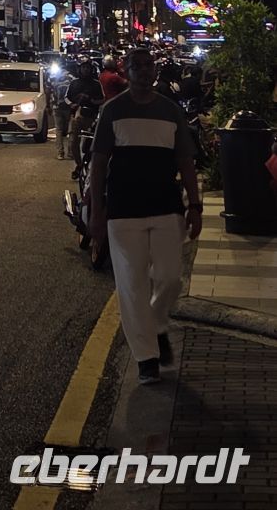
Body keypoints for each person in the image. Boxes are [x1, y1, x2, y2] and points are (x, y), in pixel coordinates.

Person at [89, 47, 202, 386]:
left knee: (170, 278)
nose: (142, 70)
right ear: (126, 70)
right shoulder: (112, 111)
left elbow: (185, 161)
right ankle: (147, 358)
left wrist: (194, 205)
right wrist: (97, 211)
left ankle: (154, 324)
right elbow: (97, 164)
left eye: (147, 64)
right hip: (123, 210)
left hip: (166, 206)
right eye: (135, 65)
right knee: (132, 285)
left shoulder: (170, 112)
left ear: (155, 70)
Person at [65, 58, 104, 176]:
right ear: (80, 69)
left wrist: (92, 101)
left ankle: (88, 165)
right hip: (76, 115)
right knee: (73, 143)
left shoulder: (96, 84)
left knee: (89, 144)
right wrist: (72, 104)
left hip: (91, 117)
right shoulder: (74, 83)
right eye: (83, 67)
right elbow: (66, 97)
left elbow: (102, 99)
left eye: (88, 68)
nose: (85, 70)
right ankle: (79, 165)